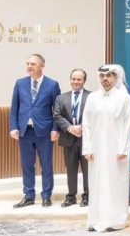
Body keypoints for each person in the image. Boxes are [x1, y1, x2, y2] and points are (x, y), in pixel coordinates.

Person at [82, 65, 130, 232]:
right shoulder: (92, 97)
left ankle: (116, 220)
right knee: (97, 183)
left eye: (109, 75)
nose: (105, 79)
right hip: (96, 149)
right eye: (102, 76)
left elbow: (128, 125)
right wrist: (87, 148)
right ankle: (95, 220)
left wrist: (123, 149)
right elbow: (86, 124)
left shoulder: (124, 97)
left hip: (116, 149)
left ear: (115, 77)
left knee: (116, 184)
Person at [10, 54, 61, 208]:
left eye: (33, 64)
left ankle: (46, 196)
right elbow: (14, 107)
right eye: (28, 64)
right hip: (25, 131)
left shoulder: (52, 84)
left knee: (46, 165)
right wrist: (13, 127)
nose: (29, 66)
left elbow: (57, 109)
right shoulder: (20, 83)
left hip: (44, 131)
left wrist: (55, 129)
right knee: (27, 165)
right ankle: (29, 195)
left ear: (42, 65)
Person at [54, 69, 90, 207]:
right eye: (73, 79)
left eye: (79, 79)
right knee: (70, 170)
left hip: (86, 138)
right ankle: (71, 196)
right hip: (68, 138)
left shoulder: (92, 97)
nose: (76, 82)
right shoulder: (61, 98)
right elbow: (57, 115)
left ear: (84, 81)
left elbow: (95, 115)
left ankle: (87, 196)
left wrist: (81, 127)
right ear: (70, 80)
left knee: (88, 170)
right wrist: (70, 128)